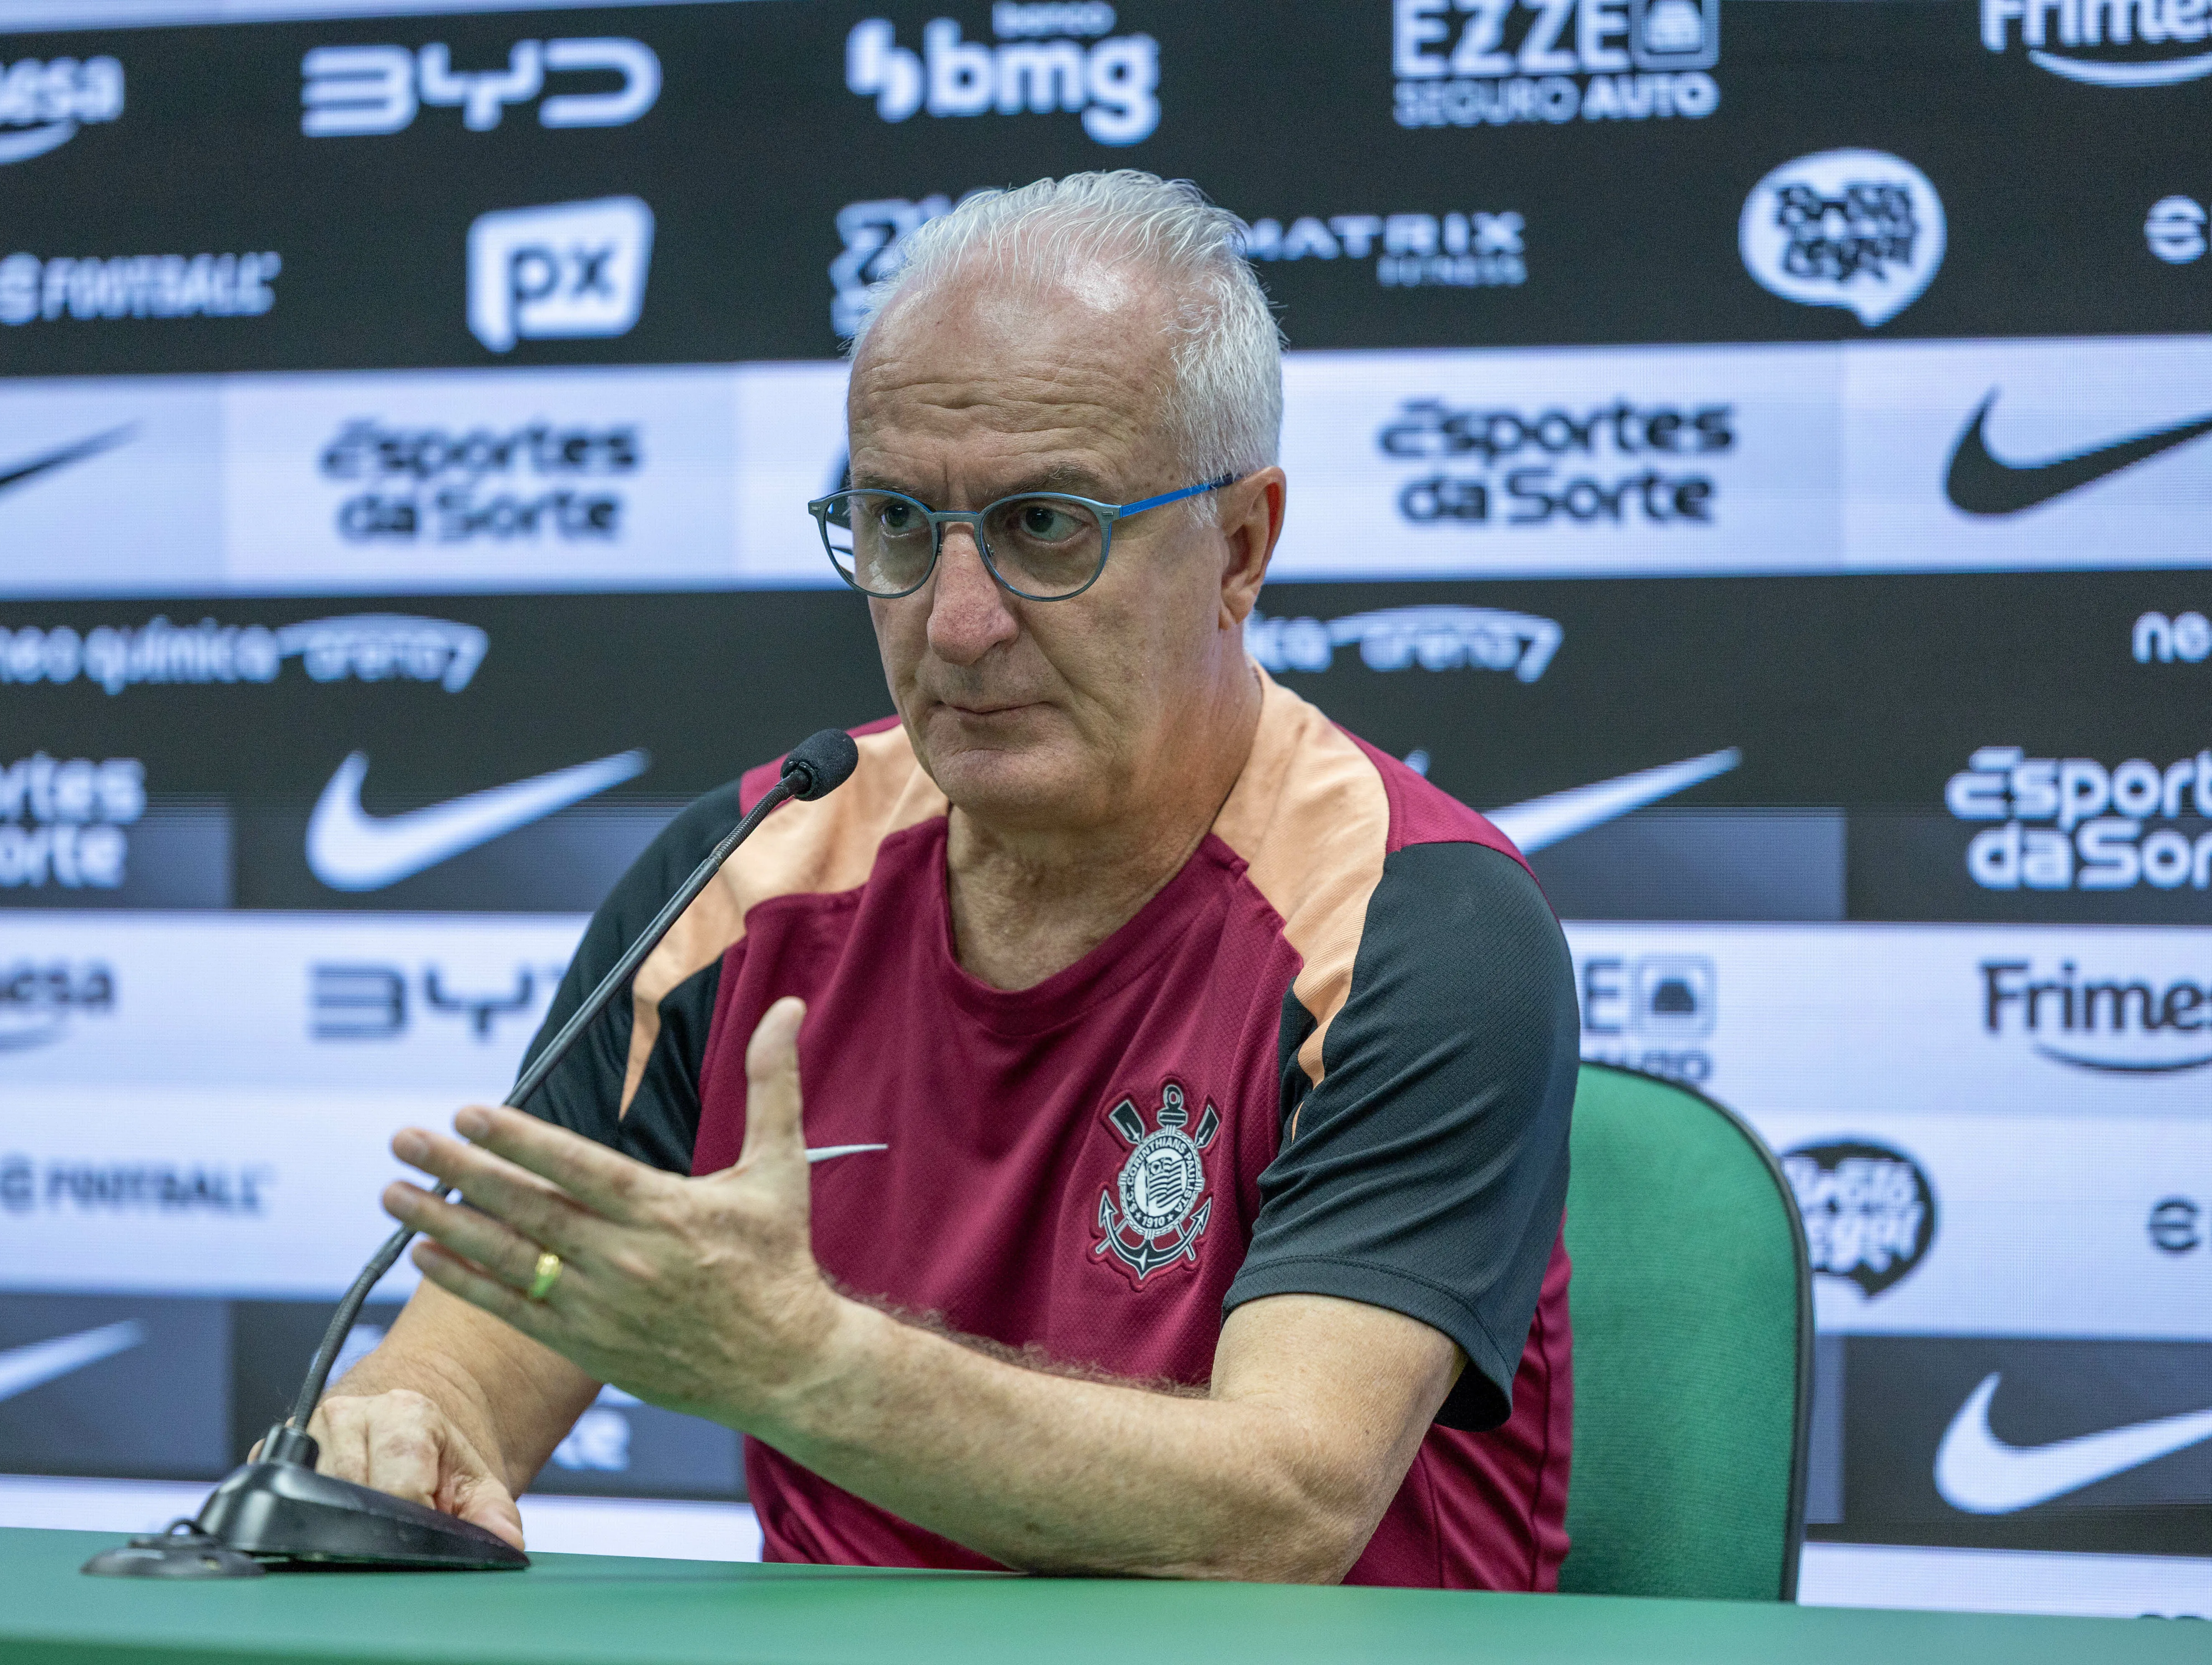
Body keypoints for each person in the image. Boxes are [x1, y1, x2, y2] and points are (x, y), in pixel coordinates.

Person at [318, 171, 1579, 1586]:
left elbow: (1277, 1510)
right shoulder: (747, 874)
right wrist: (403, 1433)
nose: (959, 623)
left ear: (1239, 547)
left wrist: (802, 1364)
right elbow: (464, 1365)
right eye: (901, 525)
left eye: (1049, 526)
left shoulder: (1420, 922)